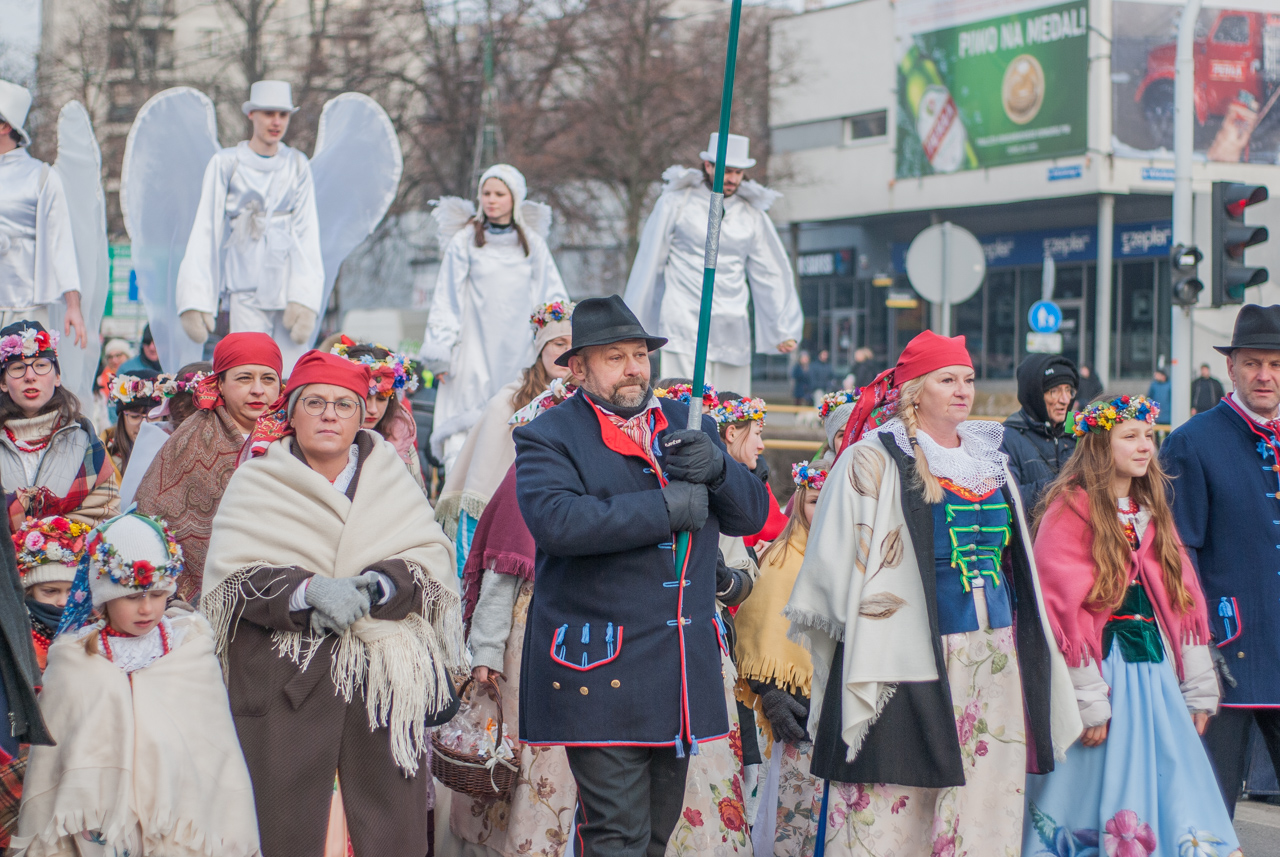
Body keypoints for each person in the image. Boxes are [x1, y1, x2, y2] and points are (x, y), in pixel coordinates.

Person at [784, 330, 1081, 857]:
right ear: (916, 390)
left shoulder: (990, 458)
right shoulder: (873, 457)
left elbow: (1018, 559)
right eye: (948, 379)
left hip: (993, 649)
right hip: (911, 648)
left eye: (967, 379)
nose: (962, 390)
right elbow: (836, 558)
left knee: (985, 791)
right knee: (897, 795)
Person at [512, 295, 769, 857]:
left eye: (639, 355)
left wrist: (721, 467)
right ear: (578, 369)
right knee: (616, 835)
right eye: (614, 357)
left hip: (677, 667)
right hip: (598, 666)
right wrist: (666, 508)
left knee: (655, 836)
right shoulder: (547, 434)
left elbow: (753, 516)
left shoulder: (688, 422)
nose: (633, 368)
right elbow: (557, 522)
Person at [201, 350, 463, 857]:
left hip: (380, 685)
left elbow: (429, 560)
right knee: (286, 829)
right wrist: (307, 591)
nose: (329, 415)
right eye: (315, 402)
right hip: (286, 680)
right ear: (290, 414)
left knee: (384, 831)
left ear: (362, 415)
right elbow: (231, 580)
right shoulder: (256, 481)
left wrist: (379, 586)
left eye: (344, 405)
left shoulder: (392, 476)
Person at [1026, 395, 1238, 856]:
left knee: (1172, 772)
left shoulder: (1151, 510)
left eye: (1149, 436)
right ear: (1102, 445)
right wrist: (1086, 698)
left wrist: (1199, 685)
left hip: (1155, 674)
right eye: (1131, 436)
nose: (1145, 446)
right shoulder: (1070, 509)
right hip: (1104, 673)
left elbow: (1184, 604)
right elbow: (1063, 610)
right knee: (1098, 777)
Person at [12, 513, 262, 857]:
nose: (146, 608)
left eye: (157, 594)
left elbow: (218, 758)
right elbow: (49, 768)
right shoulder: (74, 662)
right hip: (99, 834)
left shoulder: (189, 655)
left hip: (176, 828)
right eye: (131, 597)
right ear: (104, 599)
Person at [1160, 304, 1280, 816]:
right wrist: (1195, 641)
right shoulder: (1192, 440)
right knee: (1209, 811)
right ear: (1230, 368)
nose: (1265, 375)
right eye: (1253, 363)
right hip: (1226, 650)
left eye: (1275, 364)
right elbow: (1176, 550)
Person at [623, 133, 801, 393]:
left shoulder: (752, 215)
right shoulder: (676, 203)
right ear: (708, 166)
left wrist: (782, 326)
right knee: (682, 399)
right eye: (727, 171)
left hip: (732, 319)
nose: (732, 178)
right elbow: (650, 262)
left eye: (738, 172)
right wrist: (634, 324)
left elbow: (771, 271)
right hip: (683, 317)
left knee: (732, 406)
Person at [419, 164, 568, 471]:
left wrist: (559, 345)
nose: (491, 200)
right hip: (474, 343)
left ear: (515, 198)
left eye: (500, 193)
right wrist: (441, 349)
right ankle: (459, 486)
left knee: (516, 410)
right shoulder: (465, 241)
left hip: (519, 346)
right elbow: (446, 296)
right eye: (486, 193)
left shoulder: (532, 245)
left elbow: (552, 299)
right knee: (468, 412)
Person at [175, 80, 323, 371]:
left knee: (293, 373)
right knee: (249, 366)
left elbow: (308, 231)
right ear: (252, 114)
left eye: (283, 114)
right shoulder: (226, 162)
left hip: (286, 283)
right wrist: (196, 298)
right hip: (245, 284)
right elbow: (206, 228)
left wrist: (304, 298)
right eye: (269, 113)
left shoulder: (297, 164)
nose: (276, 121)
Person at [134, 333, 281, 604]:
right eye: (244, 378)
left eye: (268, 379)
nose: (258, 389)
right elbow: (153, 513)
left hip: (286, 590)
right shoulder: (193, 437)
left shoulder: (296, 437)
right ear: (220, 384)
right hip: (199, 602)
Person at [734, 458, 829, 856]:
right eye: (813, 501)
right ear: (799, 503)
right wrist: (772, 693)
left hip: (843, 713)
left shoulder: (861, 562)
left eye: (831, 500)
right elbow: (756, 631)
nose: (822, 510)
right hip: (796, 712)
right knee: (794, 824)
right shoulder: (778, 558)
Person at [436, 300, 574, 561]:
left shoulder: (583, 400)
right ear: (541, 348)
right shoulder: (508, 402)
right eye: (559, 344)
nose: (566, 353)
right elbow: (485, 474)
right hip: (512, 513)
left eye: (572, 346)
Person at [0, 321, 118, 532]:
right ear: (2, 382)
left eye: (41, 365)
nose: (30, 376)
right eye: (17, 368)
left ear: (57, 377)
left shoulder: (85, 442)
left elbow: (107, 516)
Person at [0, 80, 87, 346]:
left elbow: (61, 242)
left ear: (5, 126)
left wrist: (73, 306)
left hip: (24, 303)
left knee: (24, 378)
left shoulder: (42, 176)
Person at [329, 337, 424, 487]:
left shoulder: (402, 438)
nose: (373, 410)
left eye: (382, 399)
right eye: (365, 398)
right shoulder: (324, 436)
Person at [1001, 354, 1078, 510]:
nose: (1065, 399)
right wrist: (1068, 483)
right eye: (1054, 391)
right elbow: (1009, 499)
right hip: (1032, 533)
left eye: (1069, 390)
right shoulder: (1007, 438)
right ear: (1034, 395)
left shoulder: (1079, 433)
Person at [13, 515, 88, 672]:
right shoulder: (15, 639)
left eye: (72, 591)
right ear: (29, 590)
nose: (62, 602)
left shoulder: (95, 632)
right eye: (50, 591)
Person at [102, 369, 163, 478]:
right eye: (135, 416)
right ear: (121, 419)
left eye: (153, 417)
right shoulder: (103, 460)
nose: (144, 425)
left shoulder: (176, 457)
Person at [820, 390, 858, 458]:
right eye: (842, 435)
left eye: (856, 434)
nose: (849, 442)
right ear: (832, 442)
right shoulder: (820, 468)